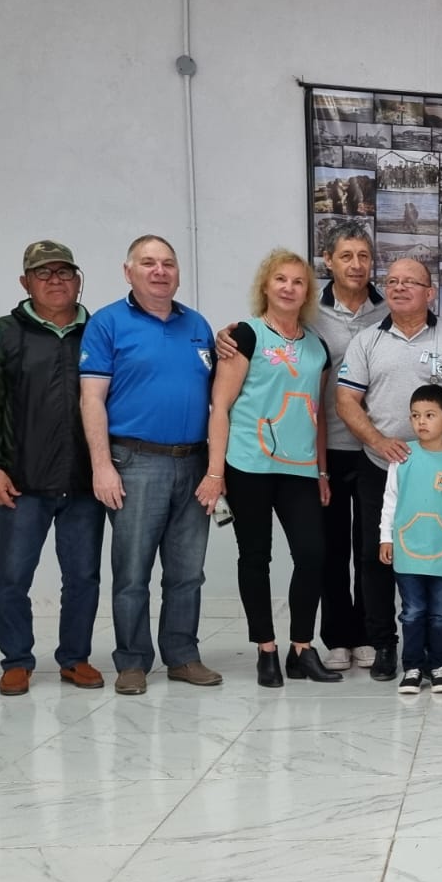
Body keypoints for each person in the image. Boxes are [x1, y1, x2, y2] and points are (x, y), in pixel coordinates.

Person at [80, 234, 220, 696]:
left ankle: (182, 655)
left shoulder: (197, 325)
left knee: (187, 572)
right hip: (134, 462)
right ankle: (133, 661)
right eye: (148, 263)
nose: (160, 271)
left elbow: (219, 399)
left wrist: (216, 469)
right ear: (128, 272)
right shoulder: (107, 323)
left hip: (193, 462)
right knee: (132, 571)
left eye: (168, 263)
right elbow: (91, 399)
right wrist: (102, 465)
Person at [335, 257, 442, 684]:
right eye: (393, 281)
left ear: (430, 292)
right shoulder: (367, 341)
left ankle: (441, 651)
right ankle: (385, 644)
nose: (399, 288)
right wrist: (378, 441)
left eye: (410, 282)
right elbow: (346, 400)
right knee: (375, 557)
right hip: (382, 465)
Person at [197, 249, 340, 689]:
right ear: (266, 285)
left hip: (300, 469)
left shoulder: (317, 348)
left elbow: (317, 414)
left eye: (298, 282)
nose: (288, 288)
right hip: (248, 465)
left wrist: (322, 472)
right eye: (281, 279)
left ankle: (301, 648)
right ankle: (266, 649)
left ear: (307, 292)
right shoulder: (245, 335)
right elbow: (220, 406)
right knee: (256, 556)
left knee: (313, 554)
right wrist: (215, 473)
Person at [0, 240, 105, 697]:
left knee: (83, 578)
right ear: (25, 282)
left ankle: (75, 658)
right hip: (22, 482)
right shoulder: (5, 333)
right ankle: (16, 660)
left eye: (64, 272)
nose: (55, 281)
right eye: (43, 273)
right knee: (12, 577)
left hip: (84, 482)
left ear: (78, 280)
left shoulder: (99, 332)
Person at [312, 221, 385, 674]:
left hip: (377, 449)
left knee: (373, 548)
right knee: (332, 547)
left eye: (363, 256)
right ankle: (338, 636)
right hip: (329, 448)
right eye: (346, 256)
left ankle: (370, 635)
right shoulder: (310, 311)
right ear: (328, 261)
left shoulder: (388, 310)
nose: (356, 265)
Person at [378, 385, 442, 696]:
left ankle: (438, 666)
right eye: (415, 415)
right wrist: (385, 538)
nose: (421, 421)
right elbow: (390, 500)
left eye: (430, 415)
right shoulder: (402, 456)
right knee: (412, 611)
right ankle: (412, 667)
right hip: (408, 548)